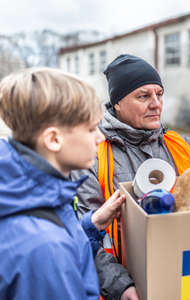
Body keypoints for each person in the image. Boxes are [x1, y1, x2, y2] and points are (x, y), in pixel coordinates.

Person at [72, 54, 190, 300]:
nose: (156, 104)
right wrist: (121, 286)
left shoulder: (182, 146)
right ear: (118, 103)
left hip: (184, 279)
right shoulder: (92, 154)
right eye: (143, 96)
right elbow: (83, 233)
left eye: (159, 94)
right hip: (124, 288)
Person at [0, 68, 125, 299]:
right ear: (54, 139)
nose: (101, 137)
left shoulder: (32, 192)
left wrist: (92, 225)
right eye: (91, 129)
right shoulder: (43, 249)